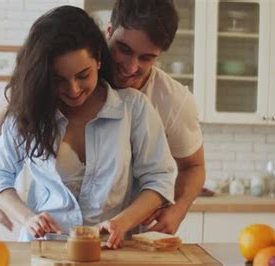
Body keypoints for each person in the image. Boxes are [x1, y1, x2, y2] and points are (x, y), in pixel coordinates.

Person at [0, 5, 177, 249]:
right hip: (44, 249)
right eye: (59, 79)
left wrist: (121, 222)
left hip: (111, 250)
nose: (73, 90)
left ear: (97, 59)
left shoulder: (134, 108)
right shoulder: (30, 113)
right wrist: (27, 219)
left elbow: (159, 179)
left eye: (82, 75)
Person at [106, 0, 205, 234]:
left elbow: (194, 166)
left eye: (146, 58)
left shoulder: (173, 100)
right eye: (124, 49)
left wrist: (178, 209)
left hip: (133, 236)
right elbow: (13, 108)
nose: (131, 67)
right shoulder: (79, 76)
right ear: (108, 30)